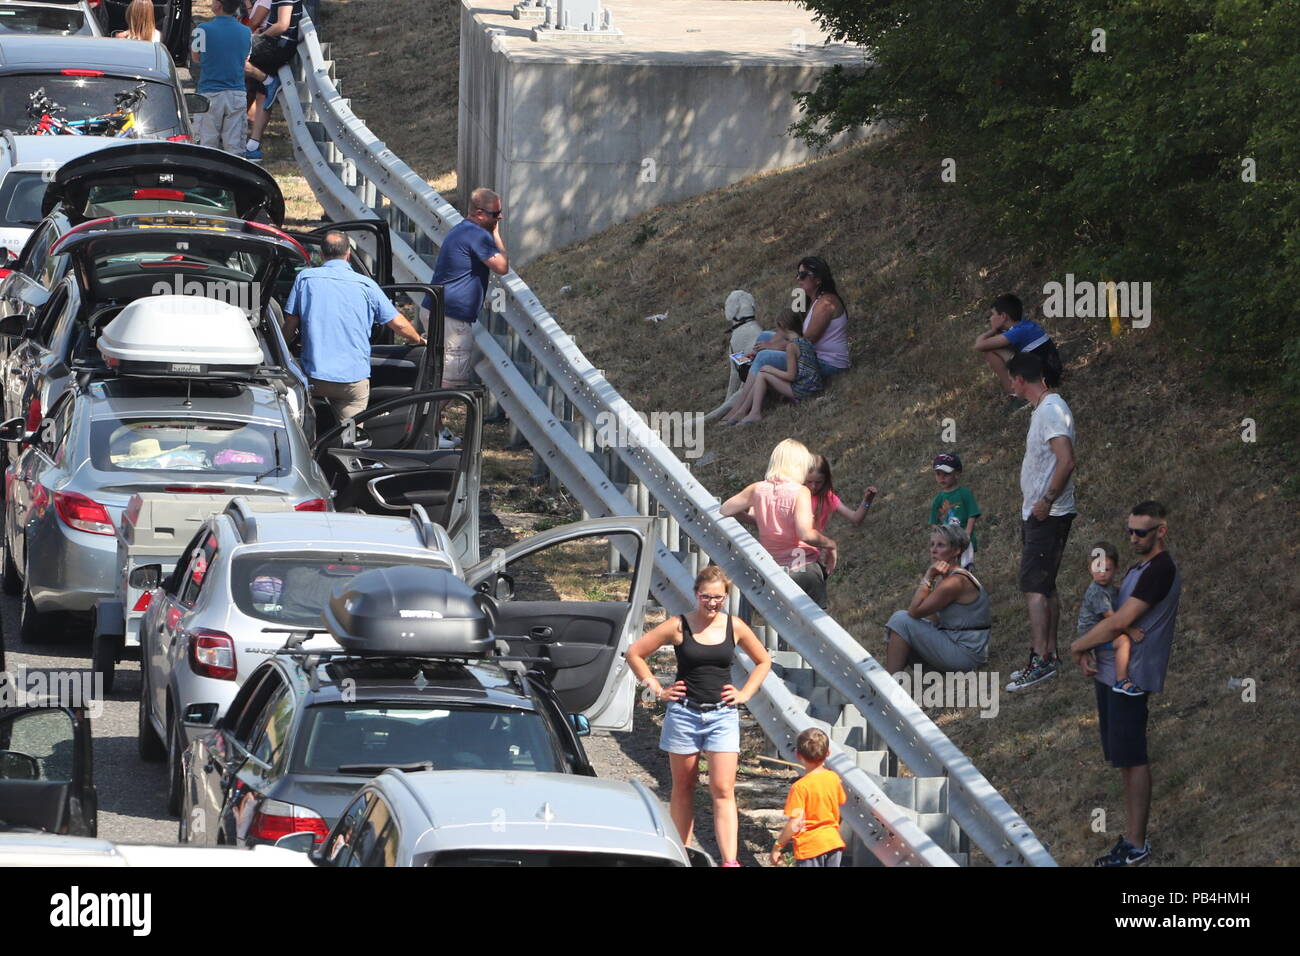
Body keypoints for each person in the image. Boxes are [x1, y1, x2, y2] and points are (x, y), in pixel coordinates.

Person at [626, 565, 772, 868]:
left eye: (718, 597)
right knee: (683, 786)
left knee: (722, 788)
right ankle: (680, 856)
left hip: (722, 715)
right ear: (696, 594)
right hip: (684, 714)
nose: (712, 603)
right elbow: (635, 653)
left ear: (726, 597)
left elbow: (763, 661)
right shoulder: (679, 626)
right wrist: (656, 689)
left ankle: (729, 861)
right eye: (707, 597)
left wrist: (745, 694)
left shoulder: (736, 626)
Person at [1070, 502, 1181, 867]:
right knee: (1123, 759)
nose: (1133, 538)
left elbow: (1120, 622)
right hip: (1111, 674)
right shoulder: (1138, 567)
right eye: (1130, 531)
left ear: (1161, 531)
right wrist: (1091, 650)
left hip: (1131, 679)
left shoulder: (1160, 570)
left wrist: (1077, 645)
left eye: (1141, 532)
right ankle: (1132, 839)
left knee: (1133, 758)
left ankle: (1137, 844)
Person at [282, 231, 425, 424]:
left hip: (313, 377)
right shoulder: (367, 285)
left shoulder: (305, 279)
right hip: (352, 381)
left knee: (305, 429)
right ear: (348, 254)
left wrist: (281, 352)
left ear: (321, 255)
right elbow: (398, 324)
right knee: (350, 438)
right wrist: (417, 340)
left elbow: (290, 325)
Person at [1004, 350, 1076, 693]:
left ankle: (1041, 659)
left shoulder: (1050, 410)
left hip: (1048, 513)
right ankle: (1048, 656)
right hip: (1039, 512)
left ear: (1020, 379)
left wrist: (1047, 500)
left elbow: (1066, 459)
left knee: (1034, 586)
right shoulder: (1046, 409)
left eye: (1011, 379)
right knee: (1044, 584)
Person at [720, 438, 837, 608]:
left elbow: (726, 509)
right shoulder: (800, 491)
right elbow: (806, 534)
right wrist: (831, 545)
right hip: (803, 565)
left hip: (773, 569)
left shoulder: (758, 488)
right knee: (810, 626)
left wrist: (758, 521)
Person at [884, 525, 991, 674]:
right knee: (903, 623)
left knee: (900, 619)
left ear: (956, 550)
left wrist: (929, 576)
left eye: (941, 545)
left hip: (967, 655)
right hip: (955, 647)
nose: (933, 550)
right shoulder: (946, 579)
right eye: (932, 544)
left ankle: (889, 683)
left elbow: (914, 612)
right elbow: (931, 618)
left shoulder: (956, 581)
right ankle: (890, 680)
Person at [745, 256, 851, 381]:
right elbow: (788, 327)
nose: (797, 279)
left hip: (828, 364)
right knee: (764, 337)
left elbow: (806, 342)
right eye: (798, 274)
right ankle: (755, 380)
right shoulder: (807, 299)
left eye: (802, 275)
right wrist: (765, 346)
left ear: (818, 279)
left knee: (764, 356)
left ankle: (748, 392)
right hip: (811, 356)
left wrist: (774, 347)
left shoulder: (826, 304)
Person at [721, 309, 822, 424]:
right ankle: (746, 411)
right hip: (814, 387)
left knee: (763, 374)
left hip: (804, 391)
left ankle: (753, 413)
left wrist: (770, 369)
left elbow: (791, 376)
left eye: (778, 329)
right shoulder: (805, 342)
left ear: (782, 326)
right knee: (762, 374)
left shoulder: (791, 347)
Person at [1074, 541, 1144, 695]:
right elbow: (1111, 619)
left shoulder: (1108, 587)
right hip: (1090, 632)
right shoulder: (1097, 592)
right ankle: (1121, 680)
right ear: (1090, 570)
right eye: (1097, 569)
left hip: (1100, 627)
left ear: (1116, 569)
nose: (1102, 573)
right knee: (1123, 641)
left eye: (1107, 569)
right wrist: (1130, 631)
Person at [770, 727, 846, 867]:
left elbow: (795, 823)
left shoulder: (800, 787)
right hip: (833, 843)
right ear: (828, 753)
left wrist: (778, 846)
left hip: (810, 847)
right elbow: (840, 804)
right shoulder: (834, 778)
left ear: (798, 755)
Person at [972, 293, 1062, 410]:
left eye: (993, 314)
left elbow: (979, 345)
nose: (990, 318)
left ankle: (1017, 398)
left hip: (1044, 379)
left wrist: (993, 330)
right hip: (1052, 372)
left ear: (1003, 316)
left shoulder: (1017, 332)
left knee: (990, 350)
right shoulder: (1026, 325)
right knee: (1000, 348)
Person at [243, 0, 303, 161]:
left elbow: (282, 25)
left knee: (233, 53)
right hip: (277, 43)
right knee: (262, 94)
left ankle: (268, 80)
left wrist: (259, 38)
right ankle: (253, 146)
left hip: (278, 44)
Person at [191, 0, 252, 156]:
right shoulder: (246, 32)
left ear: (218, 5)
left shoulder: (202, 30)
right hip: (236, 92)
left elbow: (196, 57)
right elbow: (245, 60)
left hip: (209, 92)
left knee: (206, 145)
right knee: (235, 147)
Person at [703, 290, 762, 422]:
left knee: (725, 407)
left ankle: (718, 414)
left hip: (754, 387)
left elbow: (736, 373)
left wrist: (727, 400)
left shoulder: (738, 338)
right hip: (761, 381)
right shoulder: (756, 330)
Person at [928, 452, 980, 570]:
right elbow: (934, 522)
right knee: (945, 567)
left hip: (963, 538)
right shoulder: (938, 499)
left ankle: (966, 583)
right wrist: (938, 538)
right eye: (938, 474)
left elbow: (972, 515)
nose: (941, 477)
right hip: (946, 541)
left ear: (957, 473)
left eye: (946, 474)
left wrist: (967, 533)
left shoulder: (965, 494)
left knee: (965, 567)